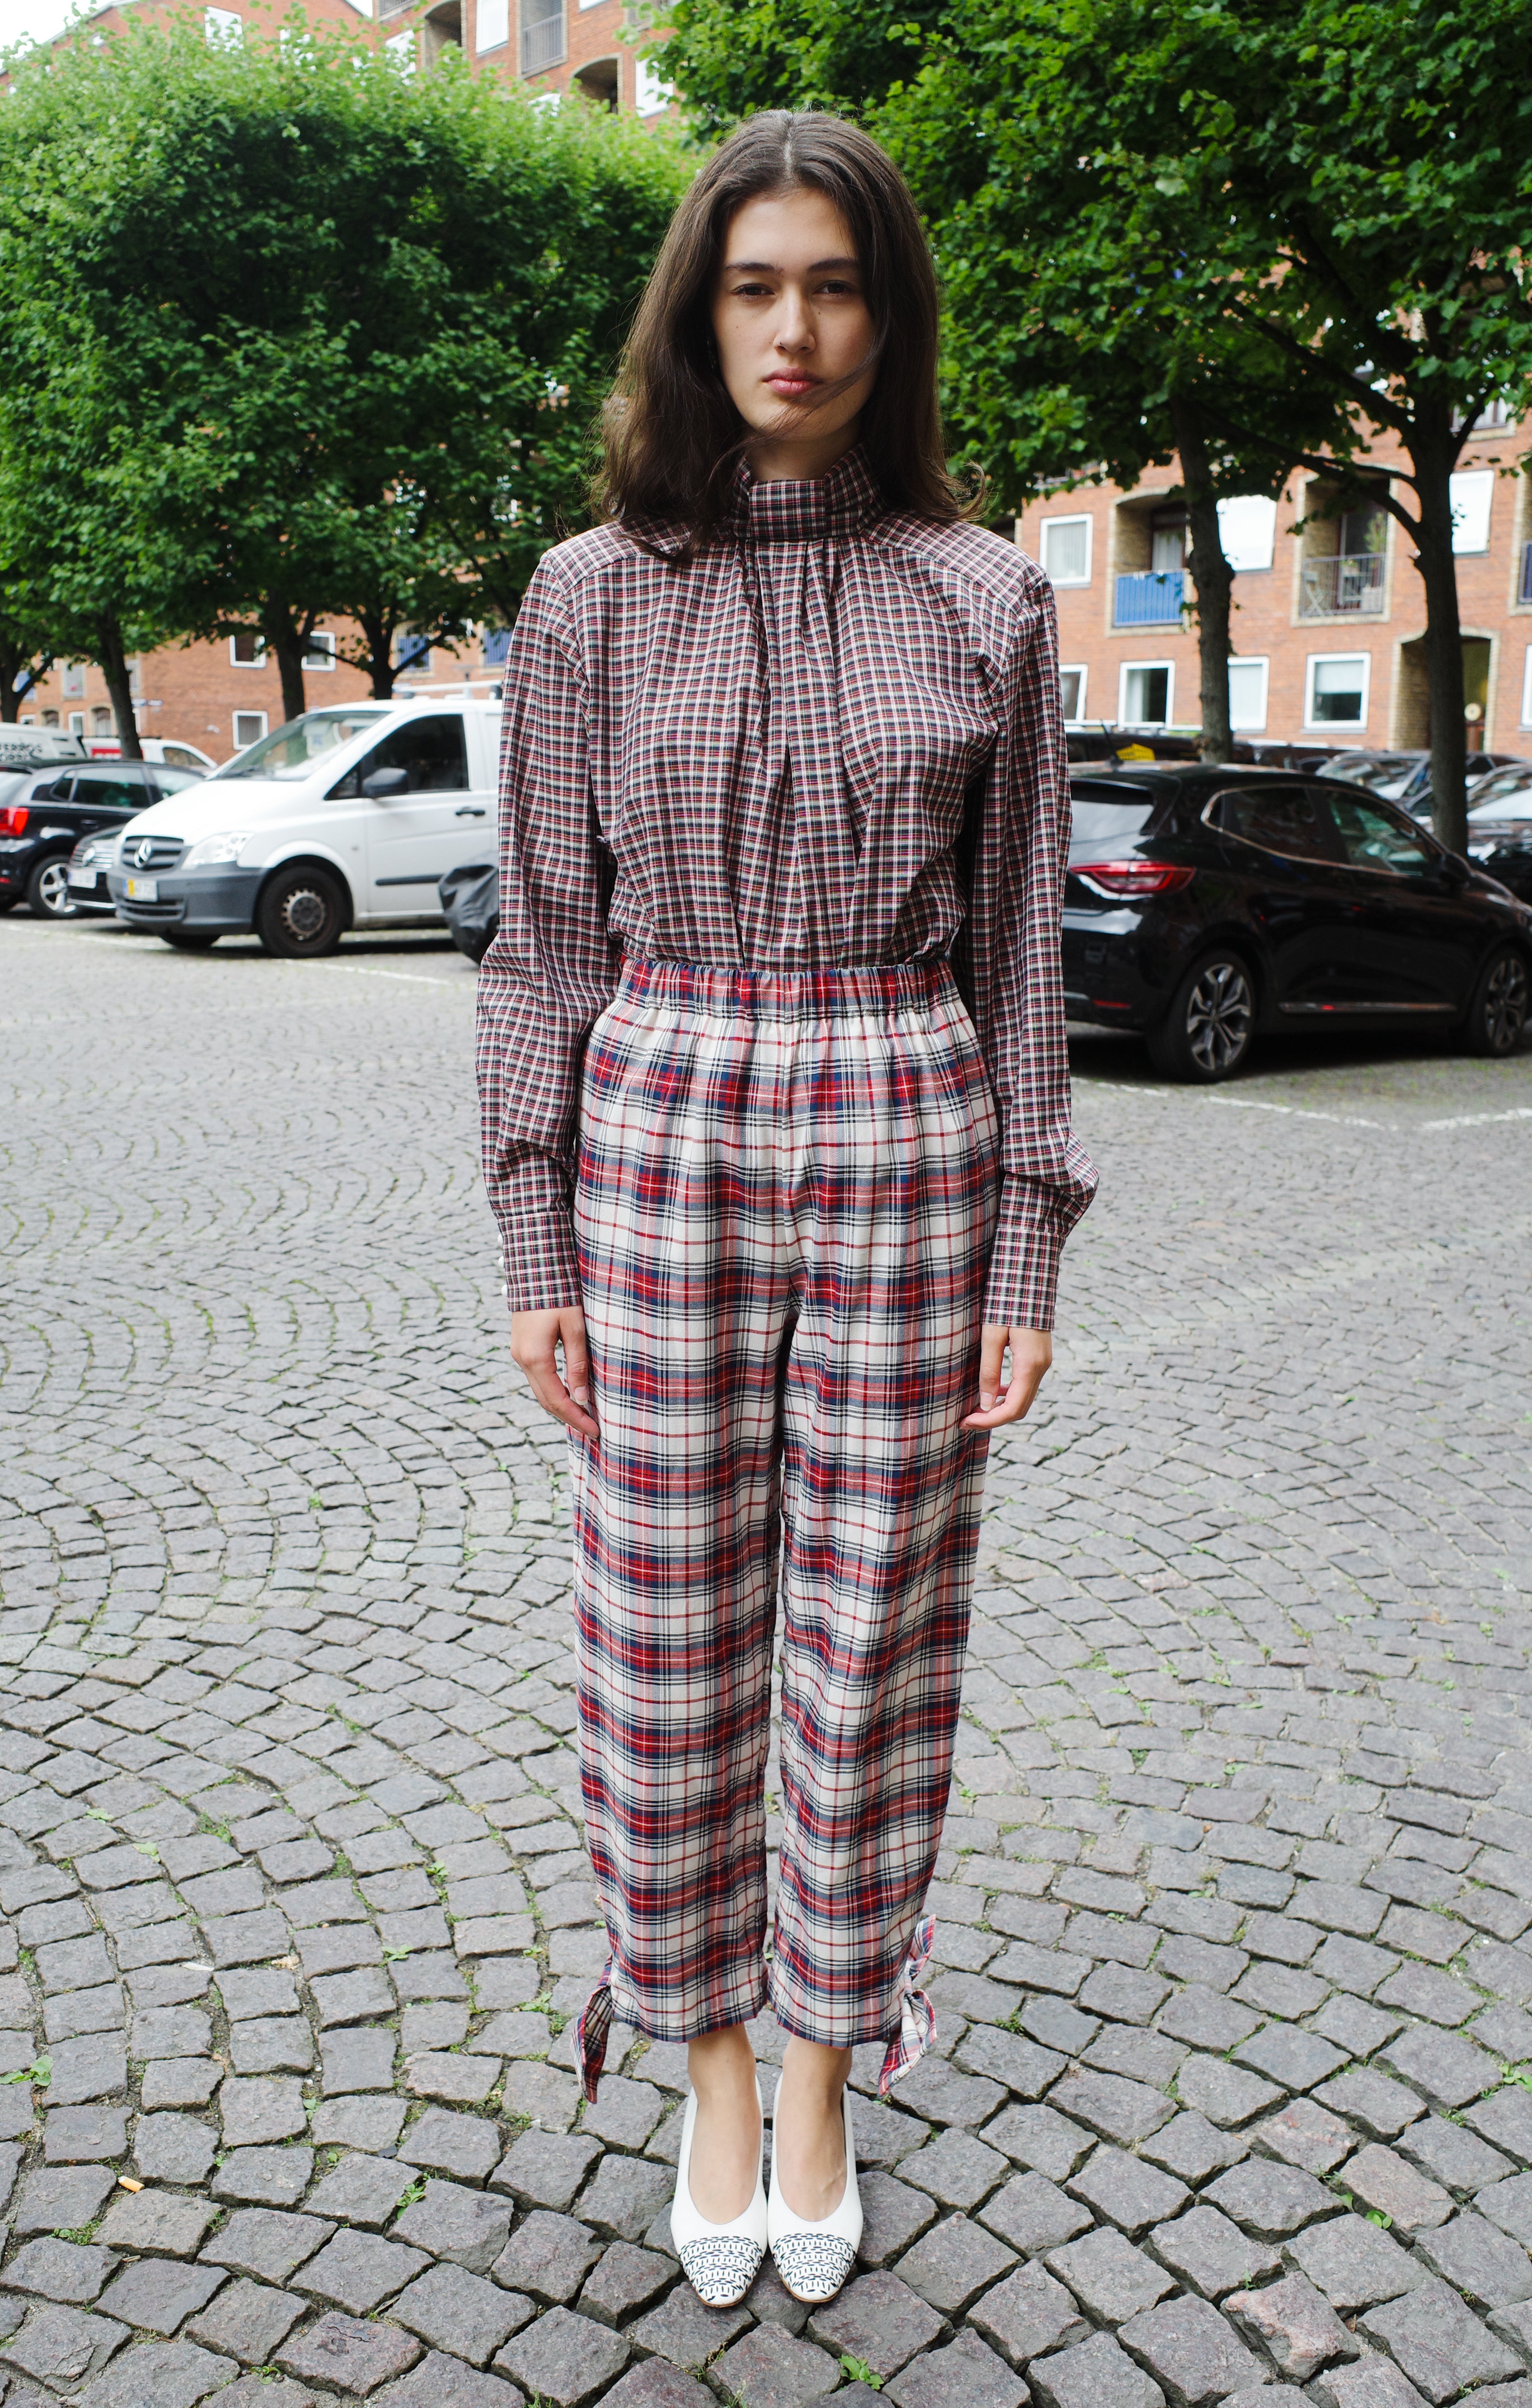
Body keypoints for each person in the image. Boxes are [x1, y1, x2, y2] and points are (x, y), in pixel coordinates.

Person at [476, 108, 1097, 2312]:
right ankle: (707, 2060)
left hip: (904, 1114)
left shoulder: (987, 594)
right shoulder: (580, 596)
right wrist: (534, 1237)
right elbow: (541, 937)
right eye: (751, 284)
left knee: (872, 1642)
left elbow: (1017, 947)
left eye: (834, 282)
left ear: (886, 314)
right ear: (695, 310)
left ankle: (825, 2063)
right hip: (659, 1102)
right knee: (661, 1637)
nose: (795, 326)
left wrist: (1024, 1241)